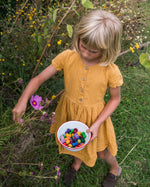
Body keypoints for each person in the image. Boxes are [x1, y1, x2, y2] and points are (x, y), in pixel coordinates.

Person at [12, 9, 123, 187]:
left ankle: (115, 168)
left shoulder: (110, 70)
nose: (85, 54)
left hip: (96, 117)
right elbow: (39, 78)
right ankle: (77, 163)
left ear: (107, 49)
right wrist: (22, 100)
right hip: (70, 111)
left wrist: (96, 124)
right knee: (72, 141)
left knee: (102, 152)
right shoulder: (68, 57)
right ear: (78, 37)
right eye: (83, 46)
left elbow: (115, 99)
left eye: (93, 51)